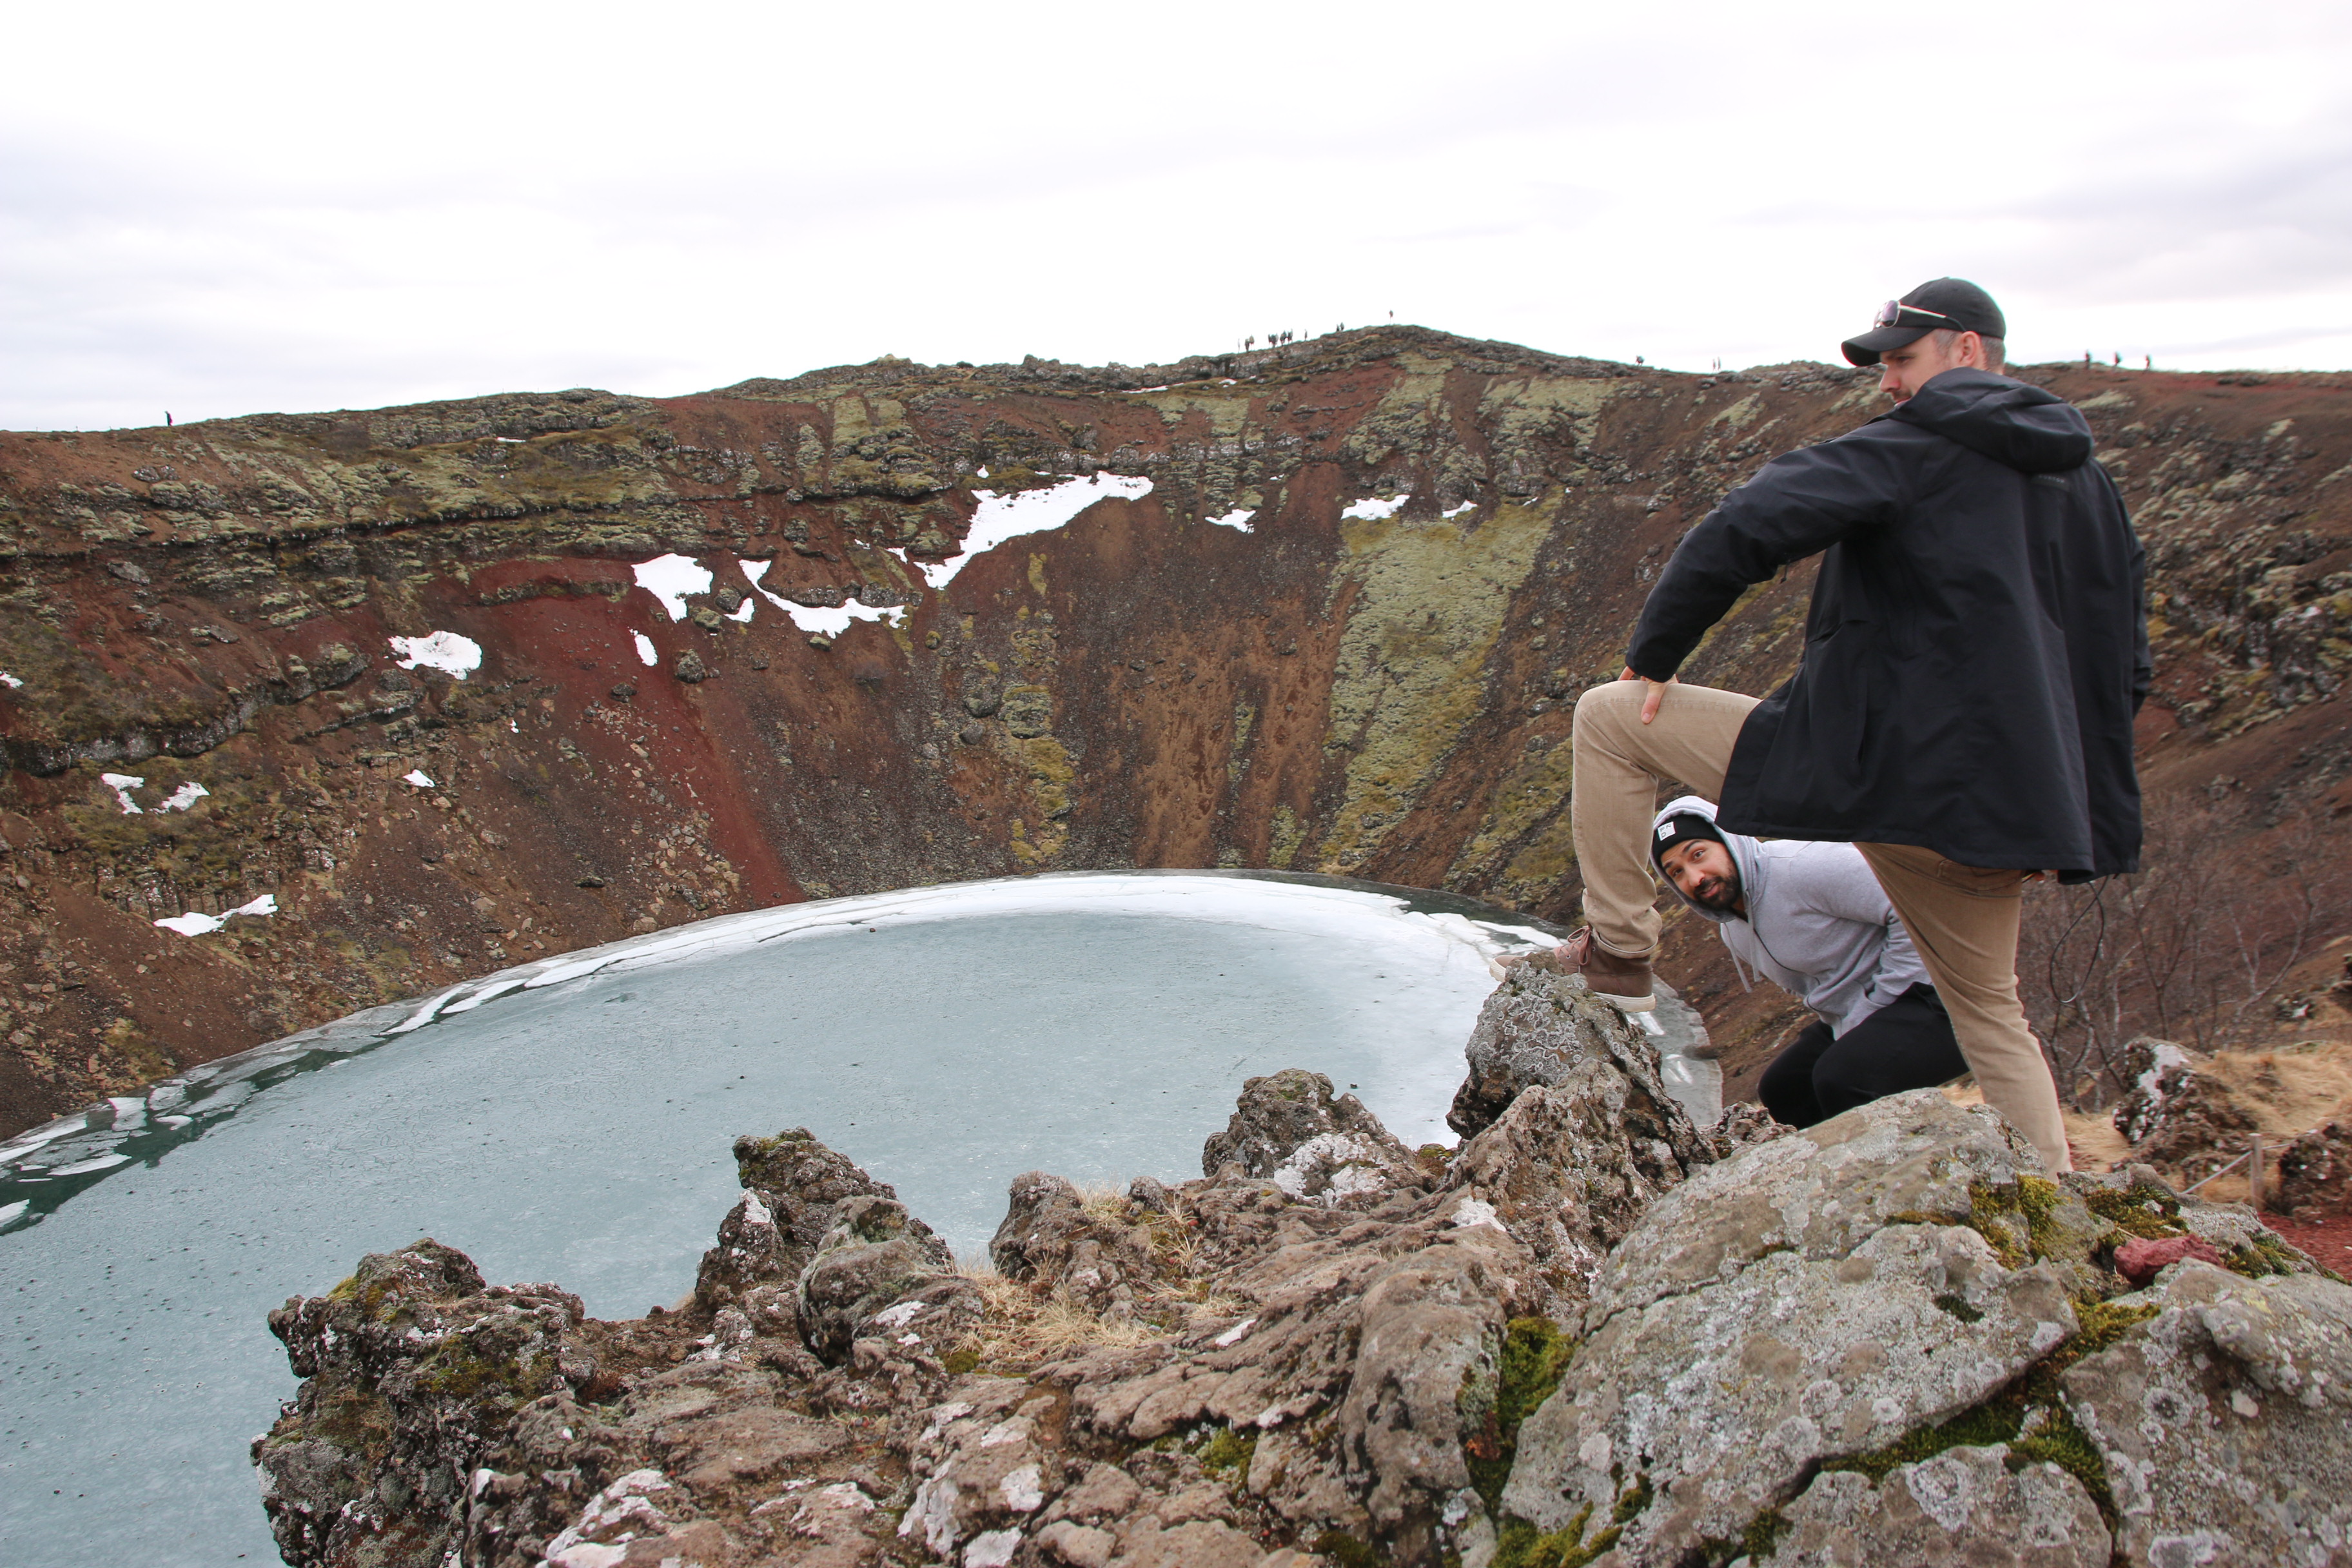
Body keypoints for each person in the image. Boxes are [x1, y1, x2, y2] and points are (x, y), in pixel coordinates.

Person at [1551, 277, 2149, 1174]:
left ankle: (1624, 952)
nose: (1886, 383)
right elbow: (2122, 655)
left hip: (1876, 770)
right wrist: (2056, 788)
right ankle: (2059, 1205)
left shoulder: (1916, 447)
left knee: (1608, 718)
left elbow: (1746, 523)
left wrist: (1656, 656)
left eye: (1902, 359)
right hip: (2001, 813)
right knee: (1991, 1014)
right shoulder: (2086, 483)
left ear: (1968, 350)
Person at [1651, 795, 1966, 1126]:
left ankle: (1905, 1168)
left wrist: (1875, 1009)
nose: (1695, 877)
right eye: (1677, 872)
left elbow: (1918, 908)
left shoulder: (1804, 867)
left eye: (1698, 855)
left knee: (1844, 1078)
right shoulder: (1734, 929)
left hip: (1943, 997)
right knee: (1784, 1090)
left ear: (1730, 842)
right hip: (1861, 1013)